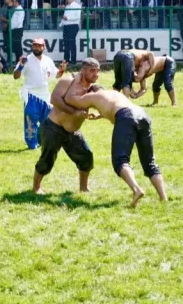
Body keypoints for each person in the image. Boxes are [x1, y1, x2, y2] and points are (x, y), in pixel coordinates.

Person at [64, 78, 168, 207]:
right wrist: (101, 115)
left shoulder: (92, 95)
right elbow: (119, 106)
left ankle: (136, 190)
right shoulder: (114, 93)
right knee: (149, 161)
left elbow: (71, 100)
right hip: (142, 114)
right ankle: (164, 198)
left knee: (120, 160)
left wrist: (74, 82)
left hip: (126, 117)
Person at [31, 58, 96, 194]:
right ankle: (36, 188)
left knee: (86, 156)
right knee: (47, 159)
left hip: (72, 131)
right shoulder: (68, 80)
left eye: (98, 71)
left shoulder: (92, 87)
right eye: (92, 70)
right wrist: (74, 112)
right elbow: (54, 99)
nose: (96, 74)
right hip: (54, 127)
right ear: (83, 71)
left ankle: (83, 188)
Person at [14, 38, 67, 149]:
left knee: (46, 121)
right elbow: (16, 76)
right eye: (35, 46)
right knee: (31, 120)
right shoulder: (26, 60)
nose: (37, 48)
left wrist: (62, 70)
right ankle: (32, 144)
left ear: (44, 47)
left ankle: (42, 140)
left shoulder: (48, 60)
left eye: (39, 46)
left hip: (45, 96)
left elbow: (56, 75)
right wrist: (20, 66)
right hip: (31, 95)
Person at [59, 0, 82, 64]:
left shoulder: (77, 6)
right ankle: (66, 60)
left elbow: (78, 17)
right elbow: (64, 17)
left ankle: (73, 60)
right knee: (66, 44)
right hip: (66, 26)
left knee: (72, 43)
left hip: (73, 26)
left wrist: (68, 18)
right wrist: (60, 25)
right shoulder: (67, 6)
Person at [4, 0, 25, 64]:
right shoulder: (17, 9)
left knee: (18, 46)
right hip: (15, 29)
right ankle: (18, 60)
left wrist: (12, 27)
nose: (13, 3)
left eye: (14, 1)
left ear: (17, 2)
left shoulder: (20, 10)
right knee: (16, 46)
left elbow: (18, 21)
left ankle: (20, 61)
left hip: (17, 30)